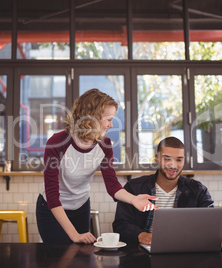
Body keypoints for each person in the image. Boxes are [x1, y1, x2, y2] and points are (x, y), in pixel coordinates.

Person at [36, 88, 158, 244]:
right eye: (108, 119)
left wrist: (134, 200)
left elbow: (112, 185)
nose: (111, 124)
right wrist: (74, 234)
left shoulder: (105, 145)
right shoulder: (57, 142)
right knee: (58, 258)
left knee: (80, 259)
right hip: (52, 209)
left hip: (81, 206)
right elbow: (52, 194)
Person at [113, 136, 222, 248]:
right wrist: (141, 235)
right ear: (157, 158)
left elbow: (210, 221)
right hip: (142, 253)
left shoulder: (198, 190)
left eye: (179, 160)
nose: (173, 165)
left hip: (186, 253)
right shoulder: (134, 188)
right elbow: (120, 225)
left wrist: (221, 232)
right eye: (167, 159)